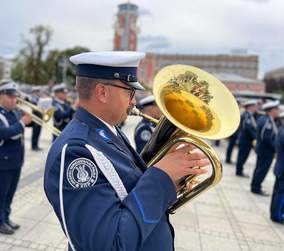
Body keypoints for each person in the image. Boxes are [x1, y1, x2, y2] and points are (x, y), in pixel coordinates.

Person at [44, 51, 209, 251]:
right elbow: (109, 245)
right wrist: (161, 177)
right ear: (102, 92)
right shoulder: (75, 152)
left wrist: (172, 174)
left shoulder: (109, 131)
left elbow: (129, 186)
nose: (134, 102)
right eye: (129, 92)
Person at [0, 81, 32, 234]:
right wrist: (22, 122)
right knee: (1, 193)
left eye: (15, 97)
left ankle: (6, 217)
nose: (14, 100)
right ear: (0, 97)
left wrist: (33, 115)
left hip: (15, 161)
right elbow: (4, 133)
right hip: (1, 163)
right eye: (10, 97)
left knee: (10, 192)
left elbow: (28, 124)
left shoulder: (14, 112)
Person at [251, 100, 279, 196]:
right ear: (271, 111)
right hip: (266, 151)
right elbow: (265, 137)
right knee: (262, 169)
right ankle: (256, 188)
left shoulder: (263, 118)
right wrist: (276, 148)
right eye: (276, 109)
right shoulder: (268, 121)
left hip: (262, 149)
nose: (278, 111)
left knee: (258, 168)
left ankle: (254, 186)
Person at [235, 100, 257, 177]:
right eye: (254, 106)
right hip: (245, 140)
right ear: (250, 107)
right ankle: (239, 171)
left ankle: (239, 170)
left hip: (246, 140)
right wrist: (255, 136)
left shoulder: (249, 115)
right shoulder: (247, 115)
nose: (255, 108)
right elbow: (248, 129)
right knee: (242, 156)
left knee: (242, 156)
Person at [225, 99, 242, 164]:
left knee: (231, 147)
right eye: (240, 105)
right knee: (230, 147)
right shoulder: (235, 113)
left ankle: (228, 158)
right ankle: (228, 159)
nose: (241, 106)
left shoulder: (237, 112)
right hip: (234, 133)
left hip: (235, 133)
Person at [30, 87, 43, 151]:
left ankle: (36, 145)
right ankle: (33, 146)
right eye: (36, 91)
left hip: (40, 117)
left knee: (38, 133)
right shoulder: (32, 99)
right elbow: (32, 109)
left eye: (38, 91)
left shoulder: (39, 99)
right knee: (35, 133)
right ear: (33, 92)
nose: (38, 92)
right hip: (35, 117)